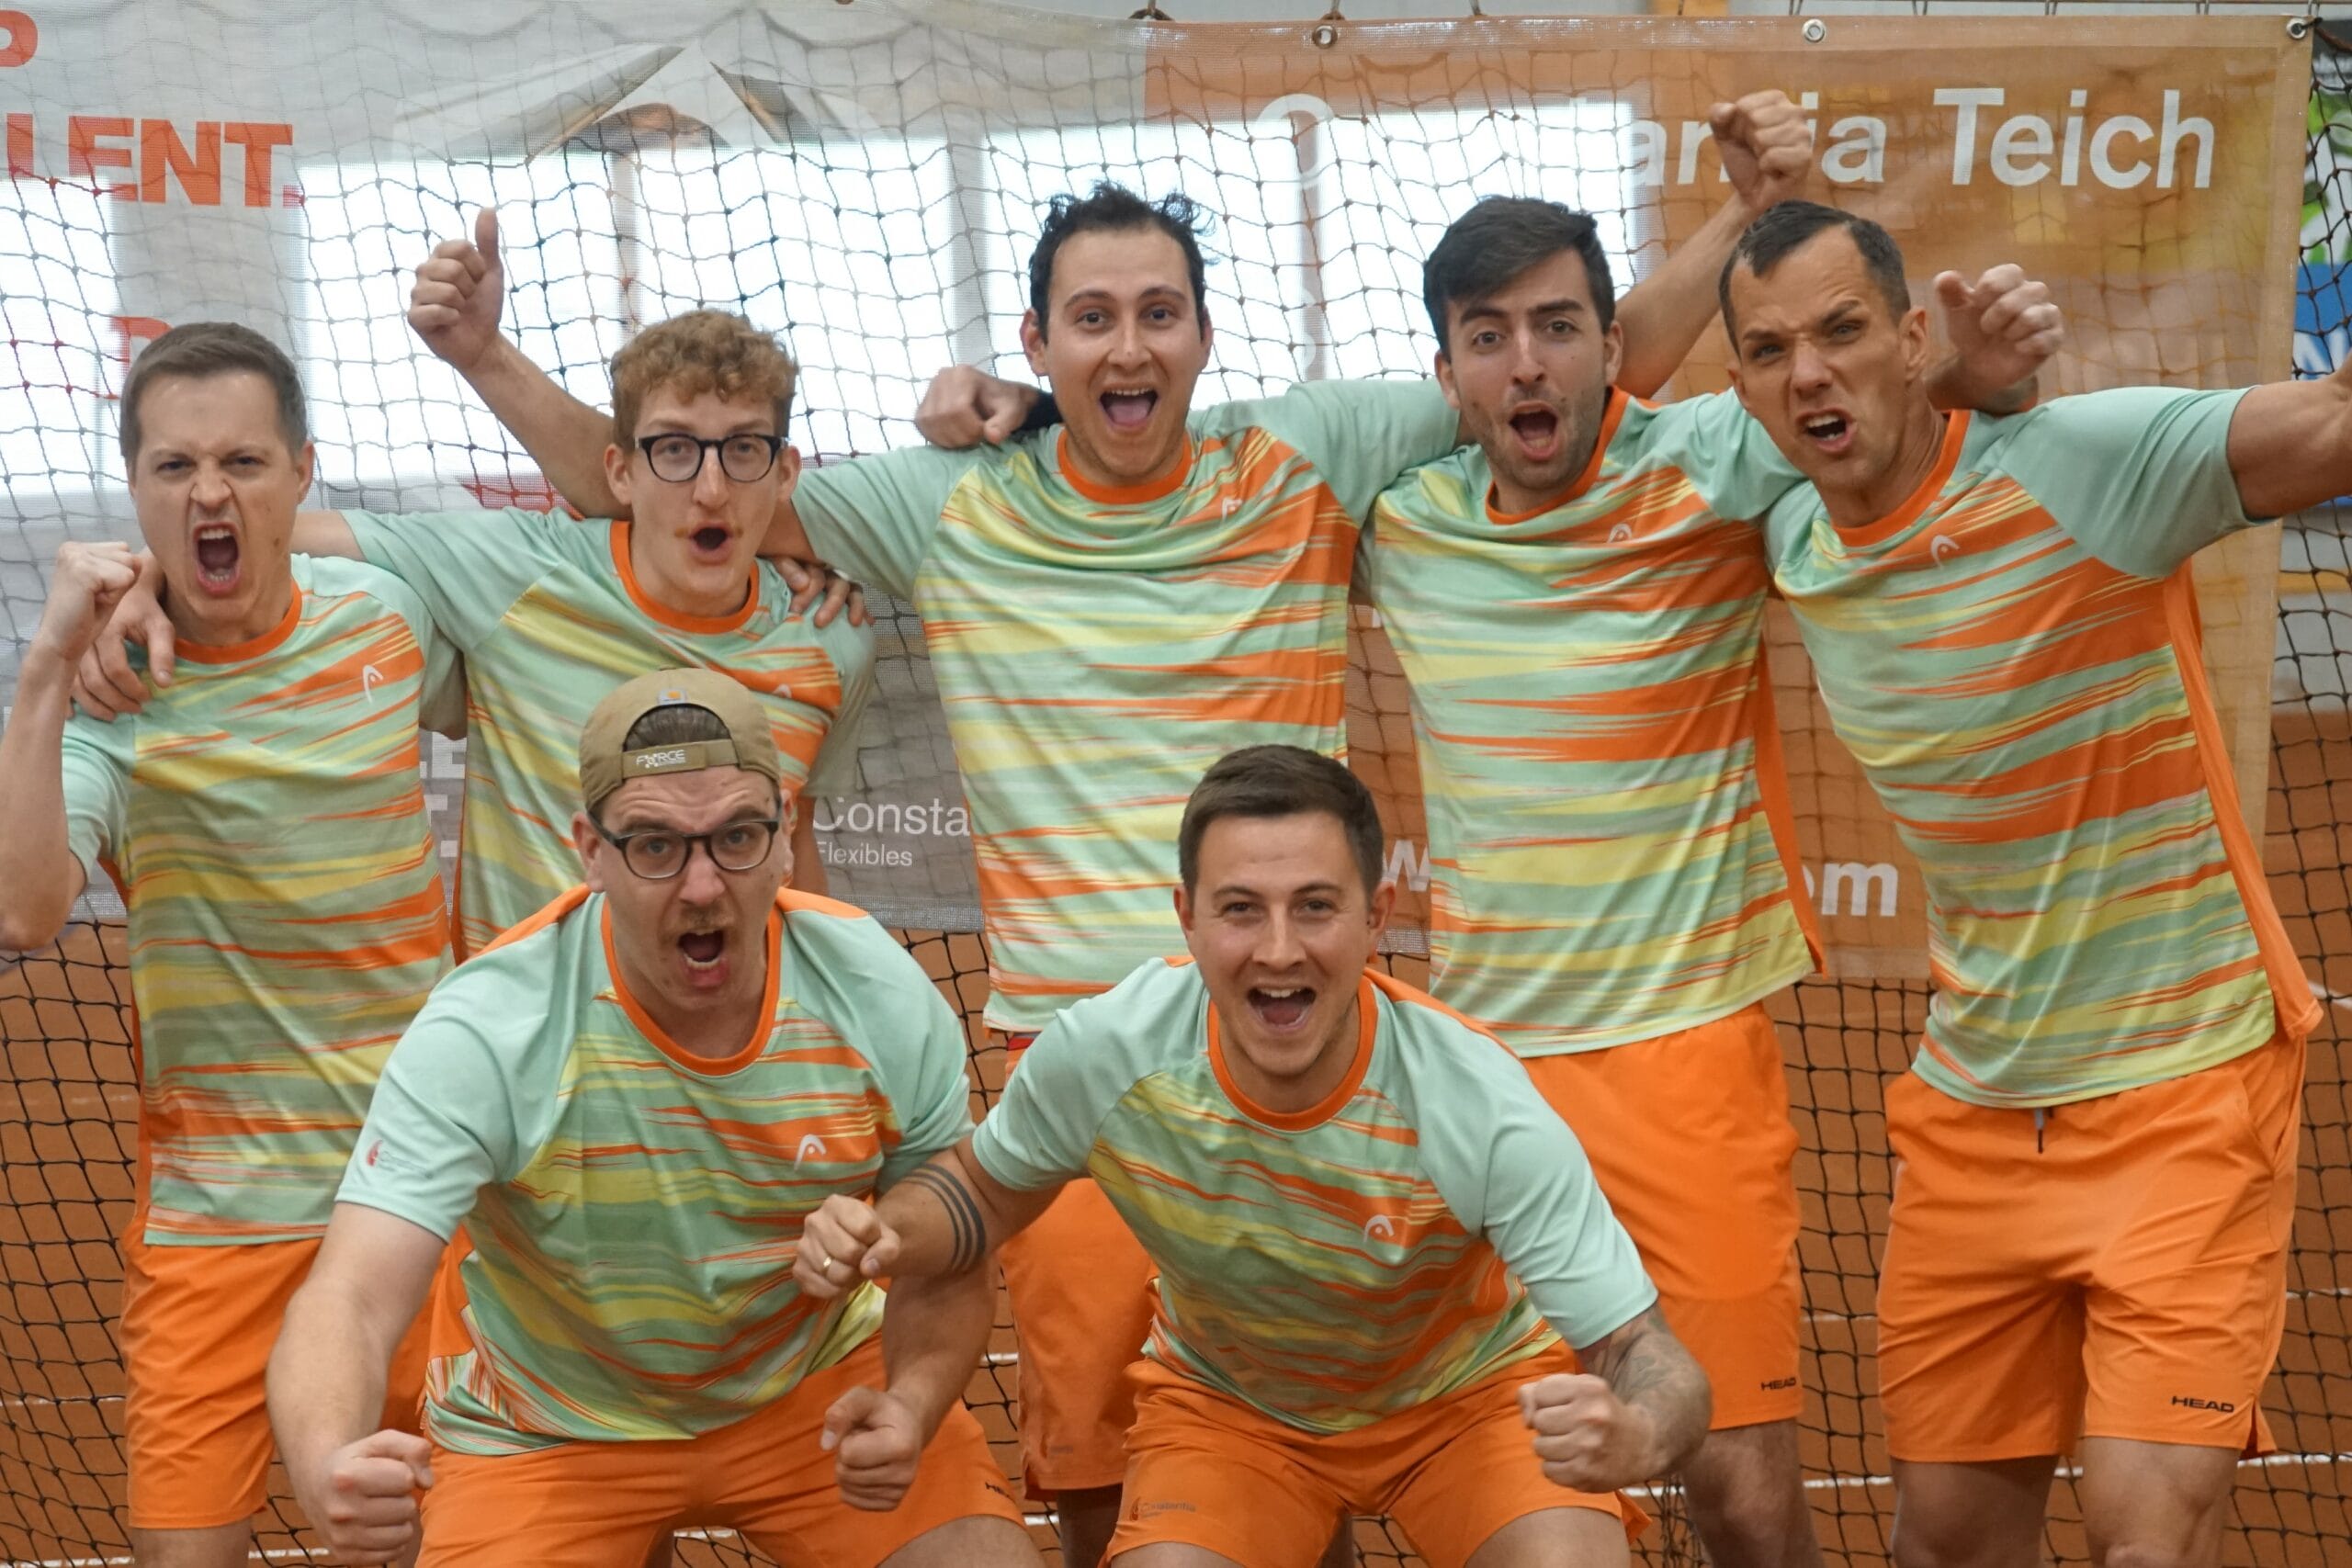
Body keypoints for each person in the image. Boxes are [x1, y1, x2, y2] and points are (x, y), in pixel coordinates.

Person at [401, 96, 1812, 1562]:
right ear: (1038, 340)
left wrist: (1733, 218)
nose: (1126, 345)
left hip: (1291, 1047)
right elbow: (694, 479)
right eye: (1091, 318)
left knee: (1301, 1432)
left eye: (1156, 313)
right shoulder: (946, 501)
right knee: (1102, 1489)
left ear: (1202, 337)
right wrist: (489, 358)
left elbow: (1560, 371)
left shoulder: (1312, 451)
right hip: (1074, 1079)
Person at [1358, 197, 2058, 1568]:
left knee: (1739, 1491)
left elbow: (1868, 407)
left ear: (1612, 346)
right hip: (1484, 1078)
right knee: (1538, 1488)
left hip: (1686, 1064)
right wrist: (1015, 409)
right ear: (1446, 374)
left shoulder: (1708, 462)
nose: (1526, 364)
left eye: (1559, 327)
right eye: (1488, 337)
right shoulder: (1398, 519)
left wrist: (1987, 374)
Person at [1718, 198, 2350, 1568]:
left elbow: (2335, 421)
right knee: (1943, 1543)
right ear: (1744, 388)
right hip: (1976, 1114)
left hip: (2185, 1088)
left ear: (1910, 336)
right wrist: (1949, 380)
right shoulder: (1783, 531)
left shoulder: (2087, 465)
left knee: (2144, 1540)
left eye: (1842, 331)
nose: (1808, 371)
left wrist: (1972, 392)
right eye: (1769, 350)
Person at [791, 744, 1710, 1568]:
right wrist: (886, 1230)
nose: (1278, 949)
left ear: (1376, 916)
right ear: (1186, 918)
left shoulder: (1474, 1101)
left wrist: (1636, 1435)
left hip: (1468, 1401)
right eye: (1240, 910)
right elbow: (979, 1195)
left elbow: (1646, 1354)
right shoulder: (1107, 1054)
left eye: (1315, 907)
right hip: (1232, 1411)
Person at [266, 668, 1036, 1568]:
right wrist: (323, 1460)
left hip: (814, 1393)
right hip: (548, 1426)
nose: (703, 886)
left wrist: (910, 1404)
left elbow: (949, 1257)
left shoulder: (877, 995)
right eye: (656, 845)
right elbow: (351, 1295)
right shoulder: (489, 1029)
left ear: (784, 836)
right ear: (591, 851)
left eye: (736, 836)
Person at [0, 323, 454, 1568]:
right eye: (175, 466)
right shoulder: (110, 705)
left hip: (418, 1194)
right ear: (134, 485)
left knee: (447, 1540)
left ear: (300, 473)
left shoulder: (391, 617)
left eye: (244, 462)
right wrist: (46, 666)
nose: (211, 492)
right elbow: (20, 913)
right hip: (216, 1222)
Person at [78, 307, 874, 958]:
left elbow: (791, 848)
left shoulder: (833, 637)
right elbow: (272, 532)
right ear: (620, 471)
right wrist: (147, 573)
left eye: (743, 450)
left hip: (724, 1045)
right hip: (523, 1062)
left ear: (785, 472)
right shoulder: (519, 572)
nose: (710, 488)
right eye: (674, 450)